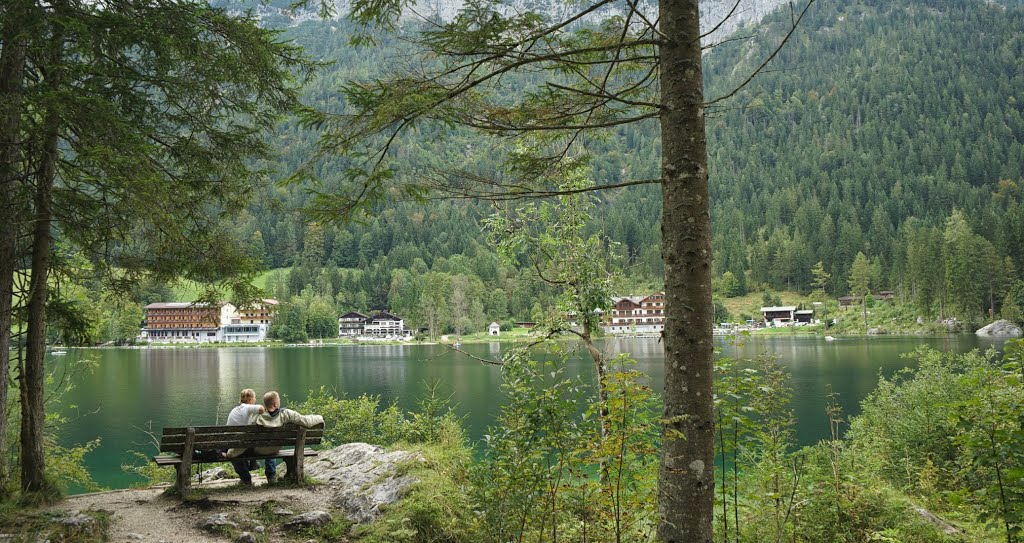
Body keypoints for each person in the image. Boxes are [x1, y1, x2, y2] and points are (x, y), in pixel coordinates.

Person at [227, 391, 324, 485]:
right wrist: (320, 418)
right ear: (276, 403)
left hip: (259, 450)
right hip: (275, 449)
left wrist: (231, 453)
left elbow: (246, 439)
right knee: (272, 443)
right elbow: (306, 421)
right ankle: (271, 476)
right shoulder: (287, 414)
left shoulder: (256, 417)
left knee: (264, 443)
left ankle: (246, 479)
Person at [224, 388, 265, 485]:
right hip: (239, 444)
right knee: (238, 451)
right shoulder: (247, 407)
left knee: (238, 449)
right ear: (250, 400)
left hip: (232, 442)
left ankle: (246, 476)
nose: (255, 400)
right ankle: (246, 478)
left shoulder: (235, 410)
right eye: (254, 398)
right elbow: (261, 409)